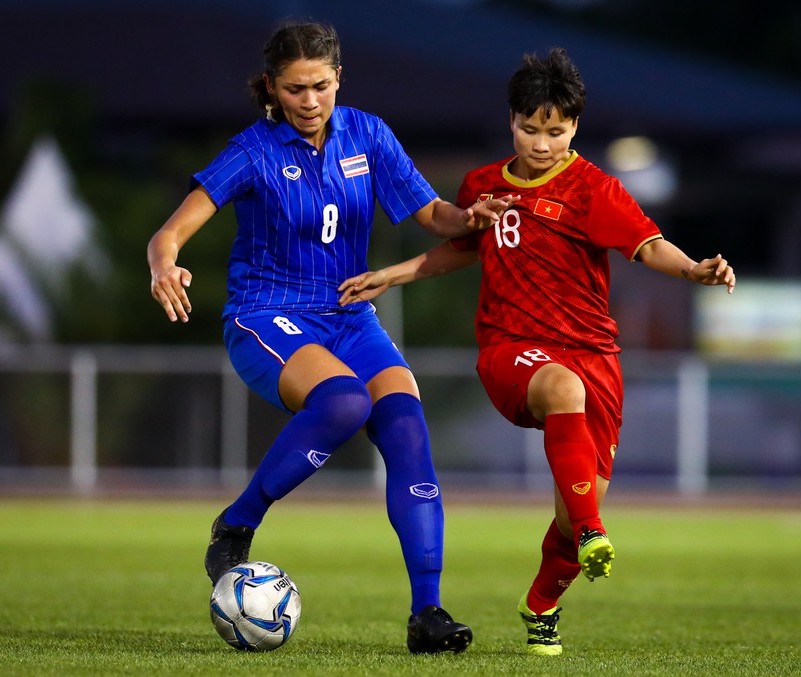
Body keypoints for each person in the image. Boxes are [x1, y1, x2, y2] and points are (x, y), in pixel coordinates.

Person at [338, 47, 736, 655]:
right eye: (530, 128)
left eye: (555, 130)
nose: (542, 143)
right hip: (511, 348)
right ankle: (594, 532)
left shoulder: (594, 191)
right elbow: (463, 251)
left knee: (574, 507)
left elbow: (648, 246)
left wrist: (695, 271)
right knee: (563, 397)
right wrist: (390, 275)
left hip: (594, 354)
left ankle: (541, 604)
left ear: (574, 126)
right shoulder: (483, 186)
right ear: (511, 122)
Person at [147, 21, 515, 654]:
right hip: (265, 315)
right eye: (294, 89)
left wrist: (469, 216)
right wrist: (164, 265)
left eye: (320, 85)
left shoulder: (368, 135)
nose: (310, 100)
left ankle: (427, 613)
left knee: (404, 422)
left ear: (338, 77)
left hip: (349, 315)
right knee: (344, 402)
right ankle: (239, 521)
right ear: (272, 88)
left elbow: (432, 215)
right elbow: (169, 234)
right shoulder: (252, 150)